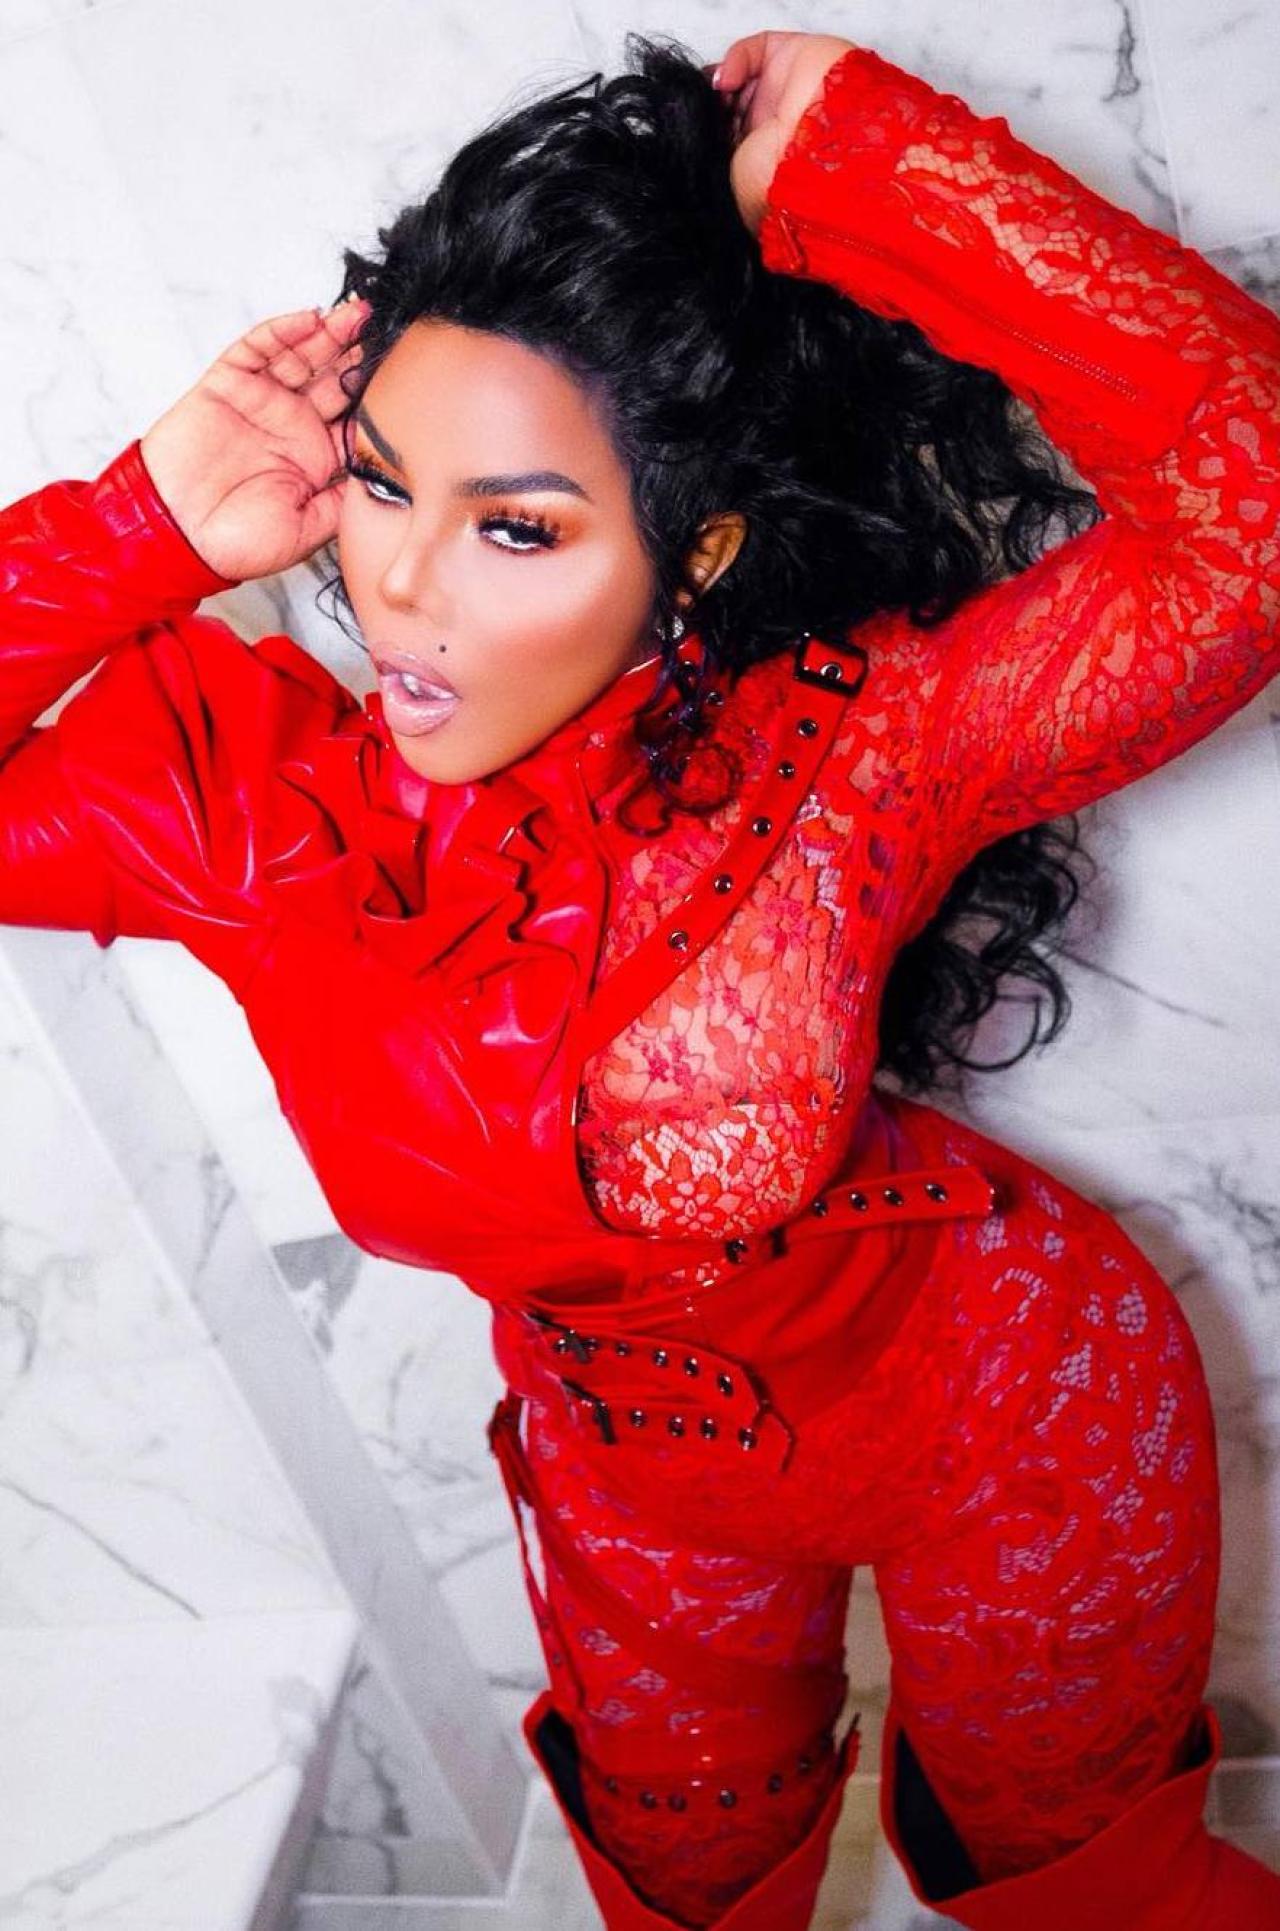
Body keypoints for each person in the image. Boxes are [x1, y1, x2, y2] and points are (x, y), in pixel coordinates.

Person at [2, 24, 1277, 1931]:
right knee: (685, 1900)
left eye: (515, 526)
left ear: (695, 561)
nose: (402, 585)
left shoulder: (856, 747)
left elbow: (1255, 512)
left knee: (1084, 1901)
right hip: (638, 1491)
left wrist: (871, 164)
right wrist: (140, 524)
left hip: (1021, 1409)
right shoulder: (249, 813)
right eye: (379, 486)